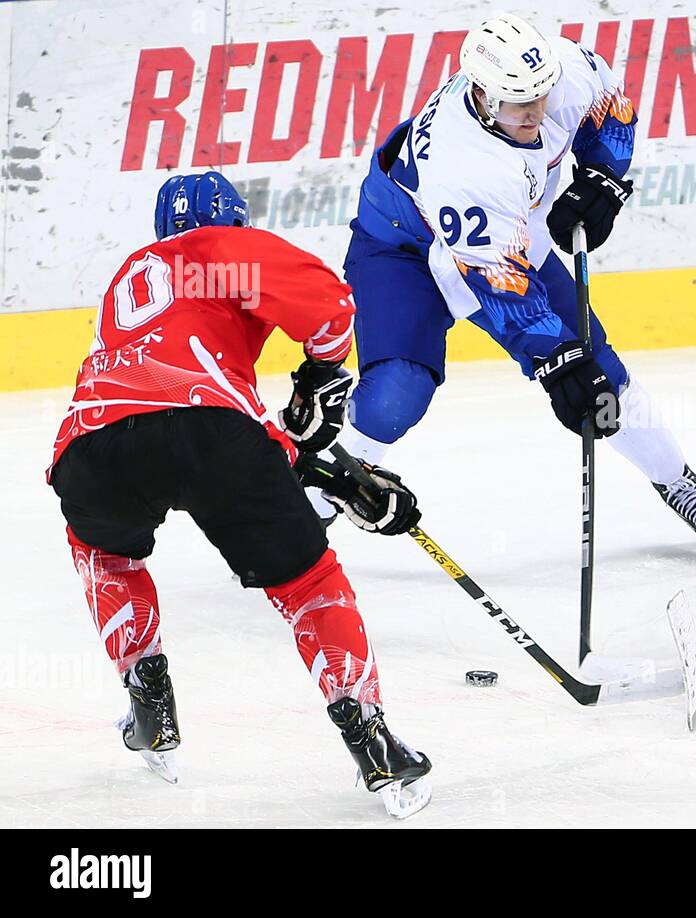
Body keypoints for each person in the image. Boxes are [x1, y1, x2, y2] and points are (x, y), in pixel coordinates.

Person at [47, 171, 433, 817]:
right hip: (212, 434)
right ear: (232, 221)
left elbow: (167, 398)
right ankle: (373, 744)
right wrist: (319, 377)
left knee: (106, 554)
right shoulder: (219, 247)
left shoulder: (131, 275)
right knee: (308, 584)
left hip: (92, 445)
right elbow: (331, 306)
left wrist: (293, 455)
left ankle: (149, 703)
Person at [323, 12, 696, 544]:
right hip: (402, 248)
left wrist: (603, 177)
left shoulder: (562, 71)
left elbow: (613, 110)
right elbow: (501, 285)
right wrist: (556, 361)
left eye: (541, 96)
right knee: (396, 393)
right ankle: (312, 496)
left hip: (506, 236)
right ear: (482, 93)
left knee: (603, 373)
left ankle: (677, 480)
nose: (537, 112)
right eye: (521, 103)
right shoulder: (466, 163)